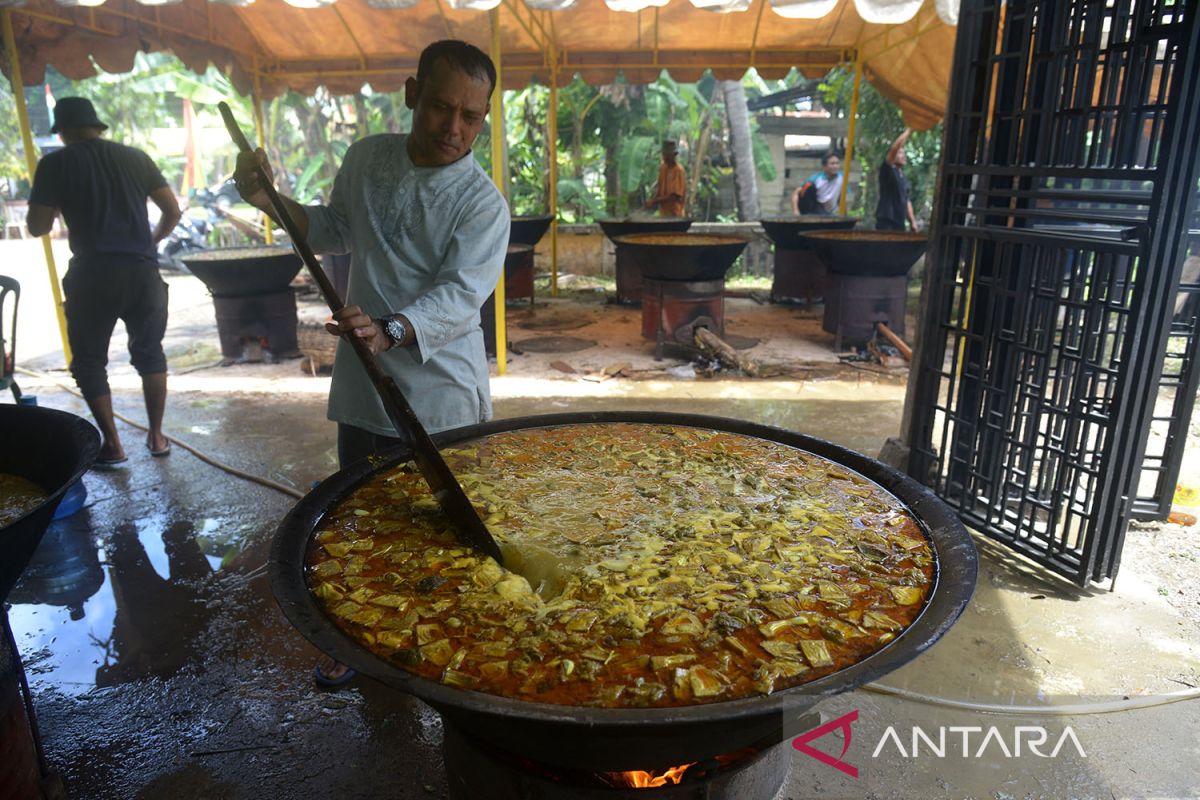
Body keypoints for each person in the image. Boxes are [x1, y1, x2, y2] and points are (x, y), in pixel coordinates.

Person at [233, 40, 509, 689]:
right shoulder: (367, 160)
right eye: (441, 107)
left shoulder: (481, 203)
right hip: (367, 383)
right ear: (412, 94)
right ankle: (361, 641)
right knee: (358, 516)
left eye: (471, 116)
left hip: (442, 390)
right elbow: (329, 228)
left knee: (447, 527)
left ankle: (446, 640)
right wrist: (269, 200)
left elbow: (460, 294)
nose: (454, 128)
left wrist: (391, 327)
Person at [27, 97, 181, 465]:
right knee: (150, 353)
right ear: (97, 126)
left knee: (90, 362)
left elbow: (38, 226)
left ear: (62, 132)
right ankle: (157, 437)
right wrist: (152, 240)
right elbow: (172, 210)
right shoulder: (135, 157)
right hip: (143, 272)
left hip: (93, 275)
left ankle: (113, 445)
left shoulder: (54, 164)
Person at [875, 127, 919, 231]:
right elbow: (894, 148)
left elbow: (906, 200)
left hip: (900, 222)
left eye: (904, 153)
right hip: (887, 221)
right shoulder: (887, 171)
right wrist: (909, 130)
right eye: (900, 153)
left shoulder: (902, 177)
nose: (903, 156)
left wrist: (912, 221)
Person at [792, 150, 844, 216]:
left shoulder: (842, 178)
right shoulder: (817, 178)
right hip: (814, 205)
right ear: (825, 167)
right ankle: (808, 213)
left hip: (827, 210)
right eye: (832, 164)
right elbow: (795, 193)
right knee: (808, 185)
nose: (835, 166)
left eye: (837, 163)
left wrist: (844, 214)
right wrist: (795, 211)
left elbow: (842, 197)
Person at [644, 140, 687, 217]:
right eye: (664, 154)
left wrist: (654, 201)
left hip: (675, 213)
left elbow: (674, 196)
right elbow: (660, 188)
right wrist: (652, 200)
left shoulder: (678, 170)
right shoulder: (663, 168)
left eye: (667, 155)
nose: (665, 157)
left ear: (673, 155)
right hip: (664, 213)